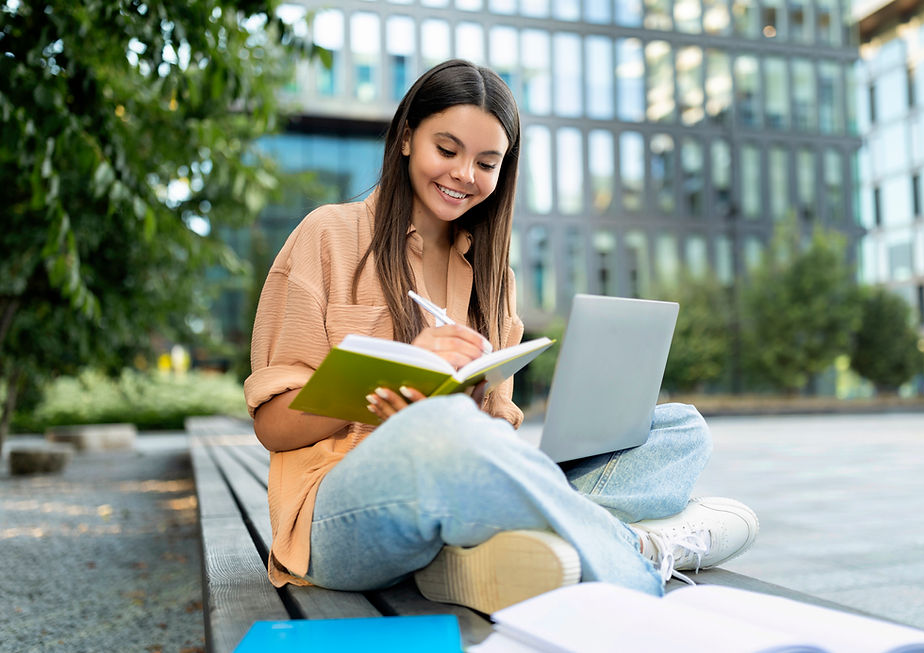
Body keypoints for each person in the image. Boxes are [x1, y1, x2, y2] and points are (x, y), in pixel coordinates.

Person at [244, 59, 758, 614]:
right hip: (336, 515)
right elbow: (273, 427)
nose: (465, 174)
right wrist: (395, 382)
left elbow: (492, 432)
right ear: (406, 139)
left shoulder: (494, 278)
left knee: (681, 430)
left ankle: (475, 553)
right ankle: (636, 550)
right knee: (446, 431)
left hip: (462, 482)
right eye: (448, 150)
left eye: (486, 163)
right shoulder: (329, 235)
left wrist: (470, 413)